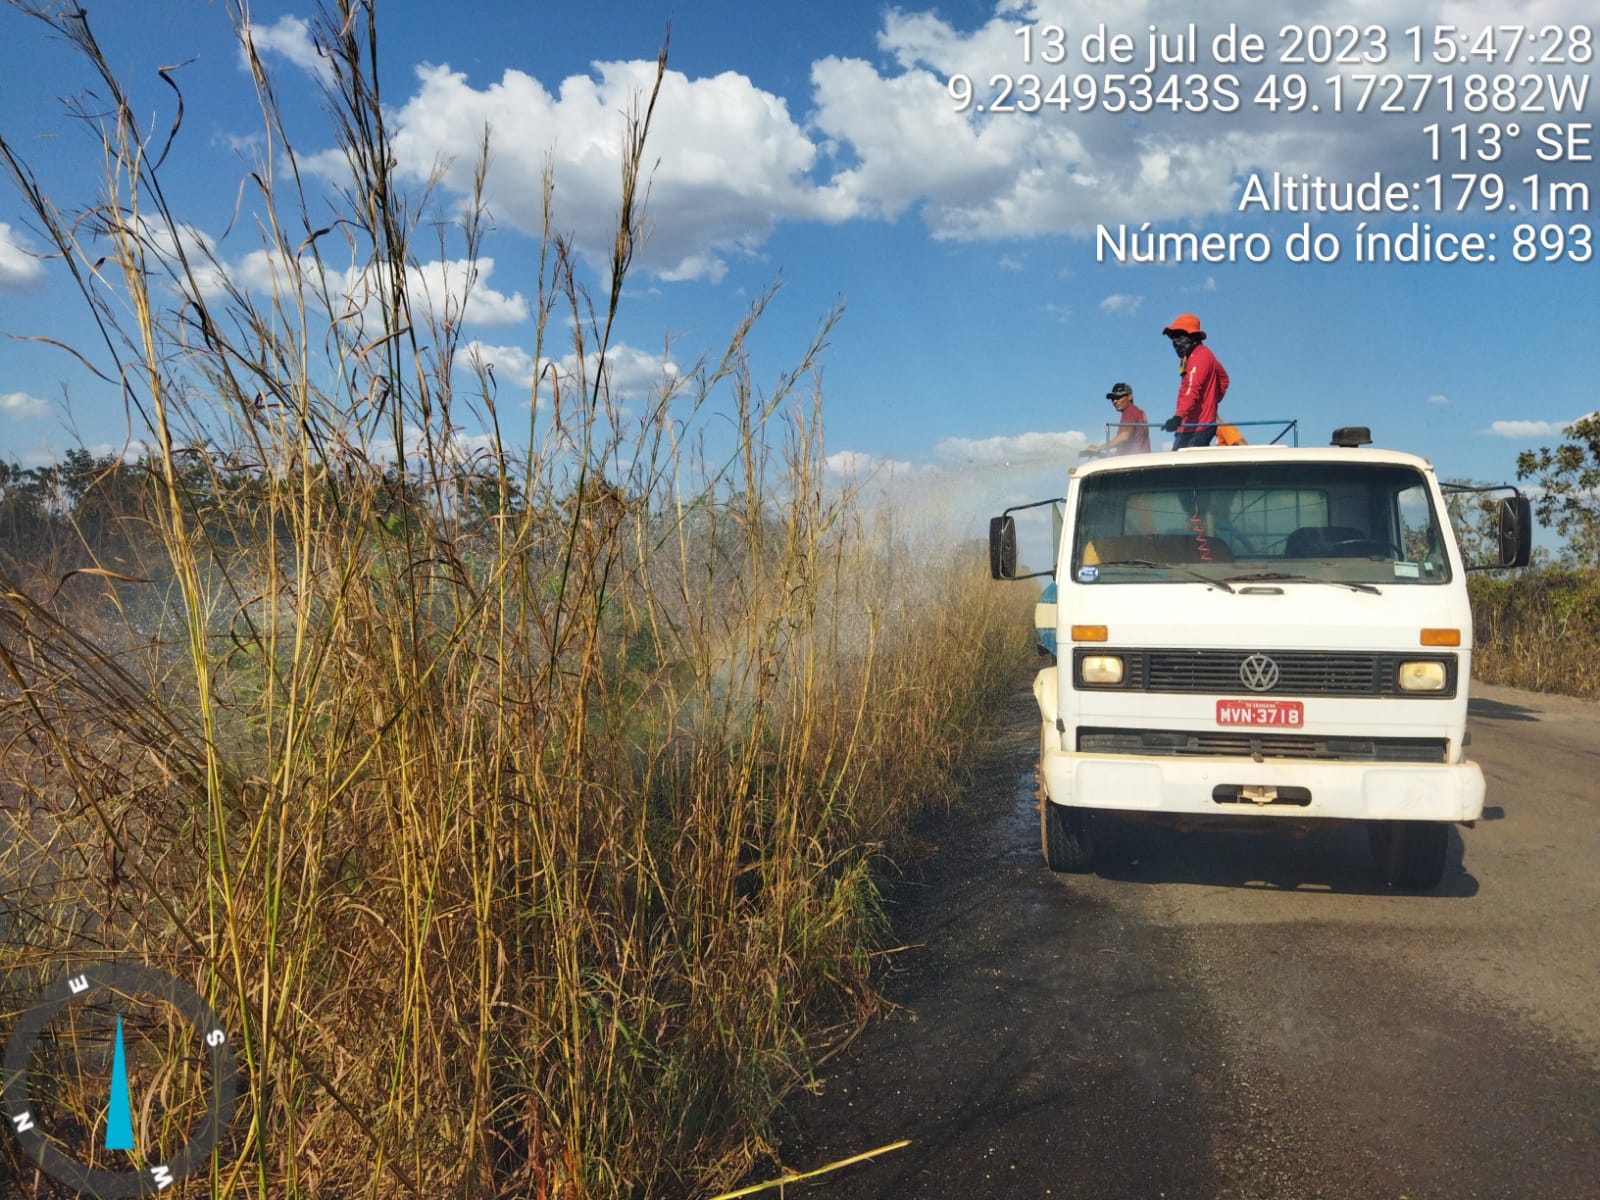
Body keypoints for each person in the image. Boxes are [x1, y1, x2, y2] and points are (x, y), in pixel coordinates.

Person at [1159, 313, 1229, 449]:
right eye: (1172, 336)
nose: (1174, 341)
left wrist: (1177, 417)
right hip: (1192, 426)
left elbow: (1191, 389)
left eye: (1178, 335)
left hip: (1196, 428)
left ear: (1192, 336)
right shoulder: (1204, 355)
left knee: (1179, 468)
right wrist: (1211, 401)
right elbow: (1224, 379)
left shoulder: (1198, 357)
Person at [1082, 382, 1150, 456]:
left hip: (1130, 462)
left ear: (1129, 396)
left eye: (1118, 397)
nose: (1115, 401)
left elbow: (1124, 437)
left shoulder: (1129, 411)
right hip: (1140, 459)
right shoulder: (1140, 412)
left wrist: (1098, 448)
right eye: (1113, 399)